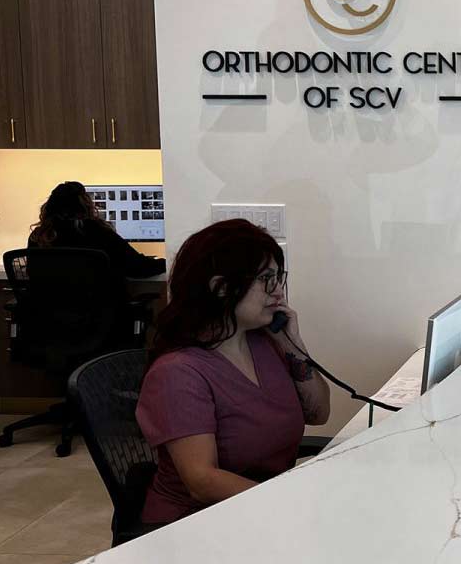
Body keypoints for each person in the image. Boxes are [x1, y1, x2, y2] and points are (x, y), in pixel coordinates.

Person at [135, 219, 331, 524]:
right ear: (221, 288)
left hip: (258, 508)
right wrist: (290, 505)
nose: (278, 292)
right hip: (196, 525)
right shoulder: (178, 373)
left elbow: (319, 413)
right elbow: (202, 481)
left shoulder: (265, 341)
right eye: (266, 279)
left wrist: (293, 343)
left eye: (279, 278)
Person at [28, 181, 165, 278]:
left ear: (50, 206)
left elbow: (31, 273)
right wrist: (167, 262)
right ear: (86, 205)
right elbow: (139, 268)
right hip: (98, 315)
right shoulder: (99, 233)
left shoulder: (39, 237)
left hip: (48, 315)